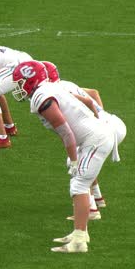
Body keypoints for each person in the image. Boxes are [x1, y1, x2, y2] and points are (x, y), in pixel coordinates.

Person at [11, 61, 115, 253]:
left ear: (31, 80)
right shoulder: (51, 88)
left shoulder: (41, 97)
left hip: (95, 139)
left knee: (79, 185)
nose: (18, 88)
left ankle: (79, 241)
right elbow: (87, 100)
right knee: (78, 183)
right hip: (95, 136)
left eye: (20, 82)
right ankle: (79, 234)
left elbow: (66, 132)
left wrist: (74, 159)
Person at [42, 61, 126, 218]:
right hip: (112, 123)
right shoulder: (65, 84)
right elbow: (94, 93)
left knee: (77, 163)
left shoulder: (55, 91)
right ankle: (98, 198)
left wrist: (97, 121)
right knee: (85, 159)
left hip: (105, 129)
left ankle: (91, 209)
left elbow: (88, 101)